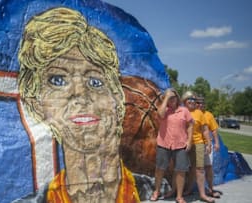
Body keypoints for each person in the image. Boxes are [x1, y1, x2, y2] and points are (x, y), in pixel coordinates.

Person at [17, 7, 140, 203]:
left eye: (95, 82)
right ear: (36, 103)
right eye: (58, 80)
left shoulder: (151, 192)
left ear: (117, 99)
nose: (80, 94)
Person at [149, 88, 193, 203]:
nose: (172, 100)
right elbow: (160, 114)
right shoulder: (164, 110)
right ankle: (157, 191)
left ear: (177, 98)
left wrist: (189, 141)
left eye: (173, 97)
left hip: (180, 145)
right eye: (169, 98)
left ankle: (179, 196)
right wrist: (166, 98)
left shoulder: (184, 111)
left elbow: (190, 125)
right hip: (164, 144)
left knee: (180, 171)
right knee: (160, 169)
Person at [182, 91, 215, 203]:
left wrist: (209, 143)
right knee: (187, 169)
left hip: (199, 144)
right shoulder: (180, 111)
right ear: (184, 101)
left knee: (200, 169)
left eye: (194, 99)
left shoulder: (199, 113)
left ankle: (202, 194)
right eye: (189, 99)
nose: (192, 101)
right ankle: (188, 189)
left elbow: (205, 130)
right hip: (183, 145)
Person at [196, 96, 222, 198]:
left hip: (206, 145)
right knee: (193, 168)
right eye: (198, 103)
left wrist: (217, 143)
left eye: (202, 103)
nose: (200, 105)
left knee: (208, 167)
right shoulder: (190, 113)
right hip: (194, 145)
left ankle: (211, 189)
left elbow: (214, 130)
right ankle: (189, 189)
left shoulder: (208, 115)